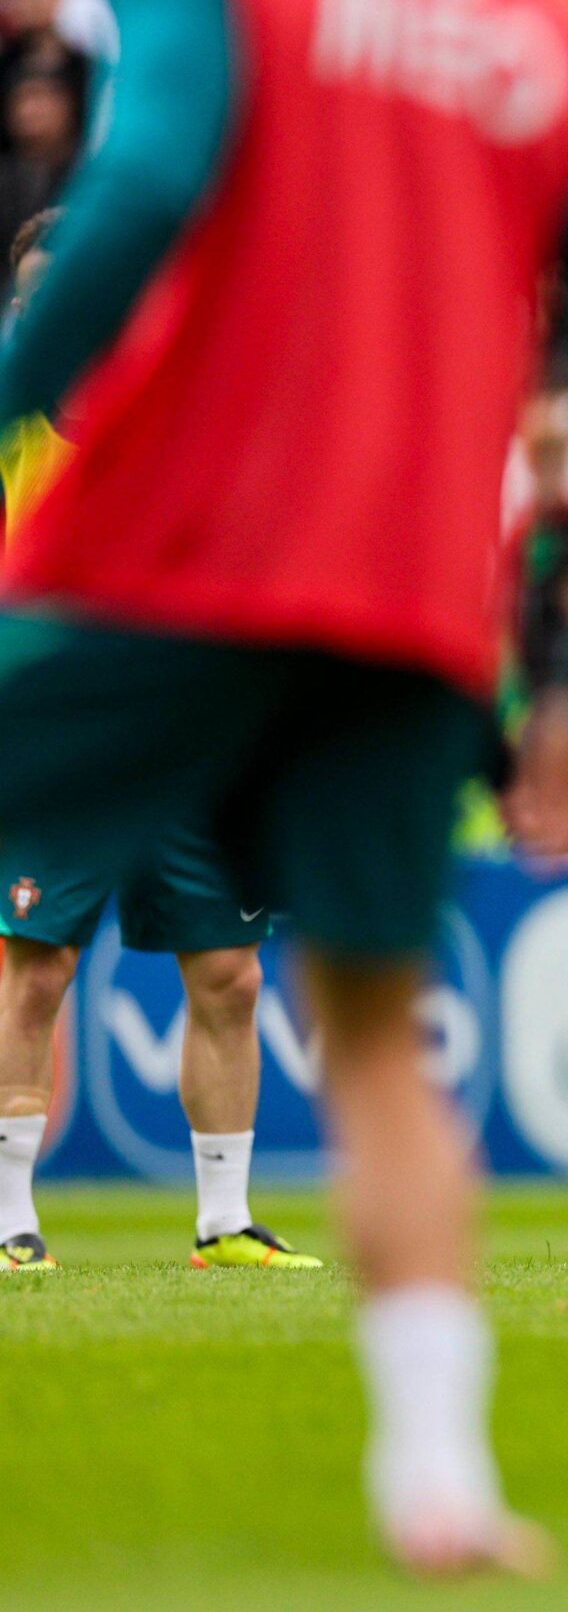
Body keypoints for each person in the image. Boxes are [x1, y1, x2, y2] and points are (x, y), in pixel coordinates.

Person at [0, 0, 568, 1573]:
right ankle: (440, 1478)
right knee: (378, 1044)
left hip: (160, 563)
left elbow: (146, 187)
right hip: (404, 601)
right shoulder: (539, 8)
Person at [0, 213, 311, 1277]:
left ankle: (224, 1219)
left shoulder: (189, 406)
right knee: (33, 968)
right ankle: (6, 1218)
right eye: (35, 287)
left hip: (188, 735)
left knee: (227, 975)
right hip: (60, 735)